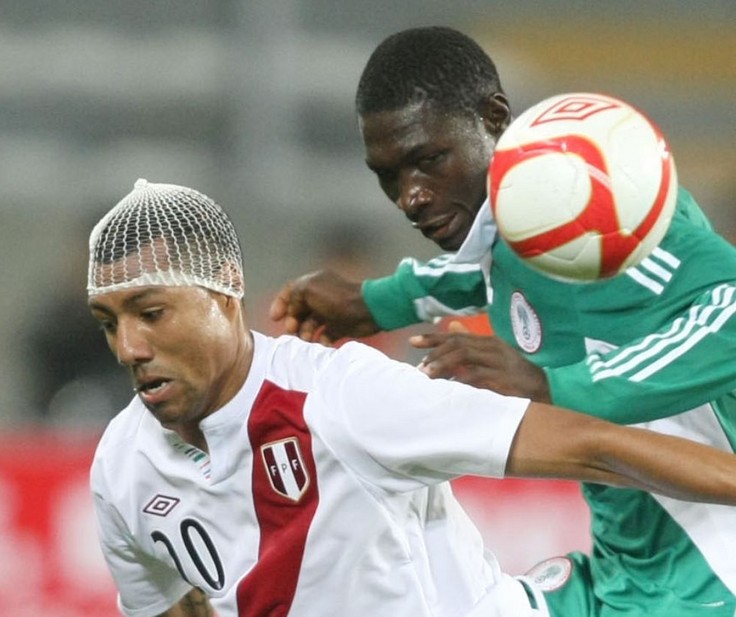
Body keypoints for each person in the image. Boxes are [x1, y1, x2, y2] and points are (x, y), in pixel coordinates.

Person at [86, 179, 736, 617]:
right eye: (110, 321)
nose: (129, 346)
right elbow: (168, 603)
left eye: (151, 311)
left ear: (224, 295)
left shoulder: (344, 397)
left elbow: (591, 445)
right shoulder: (122, 465)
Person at [268, 26, 736, 616]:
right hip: (627, 569)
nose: (409, 196)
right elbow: (491, 268)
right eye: (387, 174)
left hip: (712, 575)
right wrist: (374, 301)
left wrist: (550, 387)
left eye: (427, 160)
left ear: (493, 119)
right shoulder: (526, 229)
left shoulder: (608, 217)